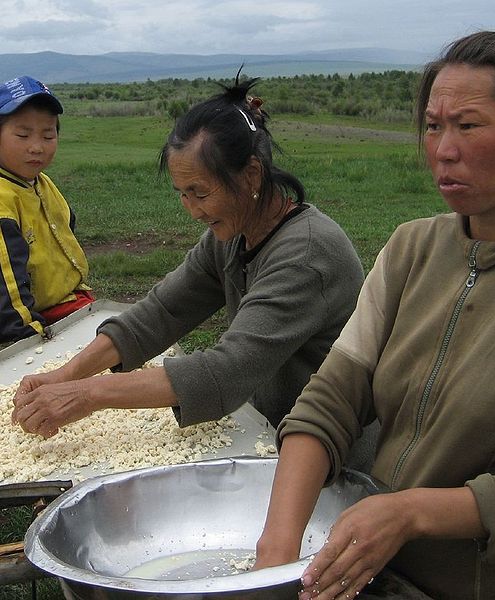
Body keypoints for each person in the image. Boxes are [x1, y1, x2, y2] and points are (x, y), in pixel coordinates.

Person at [254, 32, 495, 599]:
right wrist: (277, 549)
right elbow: (333, 398)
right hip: (391, 580)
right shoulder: (412, 249)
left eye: (468, 125)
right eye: (433, 126)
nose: (443, 148)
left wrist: (410, 513)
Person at [11, 75, 365, 442]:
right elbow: (163, 312)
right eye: (182, 193)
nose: (192, 210)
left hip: (329, 452)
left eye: (200, 192)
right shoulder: (232, 235)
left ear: (252, 176)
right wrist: (65, 376)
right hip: (268, 430)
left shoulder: (306, 255)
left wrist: (87, 395)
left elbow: (226, 371)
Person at [0, 75, 93, 343]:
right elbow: (8, 291)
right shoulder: (4, 201)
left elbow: (66, 232)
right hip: (28, 319)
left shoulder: (41, 182)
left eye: (48, 134)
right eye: (22, 134)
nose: (36, 147)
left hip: (66, 300)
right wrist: (35, 340)